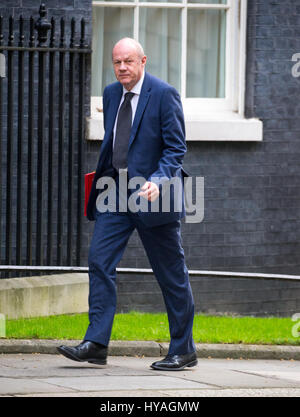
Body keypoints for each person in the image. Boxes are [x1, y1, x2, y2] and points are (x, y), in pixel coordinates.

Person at [57, 38, 197, 371]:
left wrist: (160, 180)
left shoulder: (164, 95)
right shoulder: (110, 93)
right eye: (117, 62)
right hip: (115, 194)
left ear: (143, 61)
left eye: (128, 61)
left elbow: (175, 149)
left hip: (154, 196)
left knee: (171, 275)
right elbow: (117, 142)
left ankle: (184, 349)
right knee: (99, 260)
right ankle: (97, 343)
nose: (122, 67)